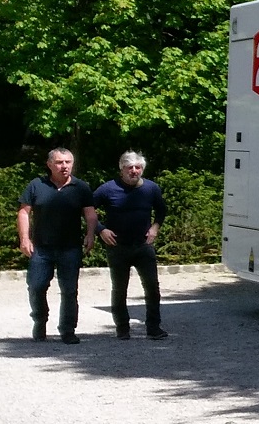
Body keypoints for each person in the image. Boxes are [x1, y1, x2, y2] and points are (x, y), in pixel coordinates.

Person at [18, 147, 97, 343]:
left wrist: (90, 234)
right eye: (60, 162)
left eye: (68, 162)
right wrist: (25, 239)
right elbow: (23, 213)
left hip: (70, 248)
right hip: (42, 248)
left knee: (69, 290)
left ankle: (68, 330)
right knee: (36, 287)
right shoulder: (36, 185)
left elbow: (90, 214)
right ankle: (40, 320)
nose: (64, 166)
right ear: (50, 164)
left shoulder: (81, 187)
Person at [92, 151, 168, 340]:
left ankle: (153, 328)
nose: (134, 171)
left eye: (138, 167)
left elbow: (161, 210)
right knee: (119, 288)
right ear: (122, 169)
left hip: (143, 246)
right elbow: (87, 209)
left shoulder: (151, 188)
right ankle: (122, 328)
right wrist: (100, 230)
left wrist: (155, 228)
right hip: (118, 247)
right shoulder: (107, 189)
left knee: (152, 287)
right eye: (130, 168)